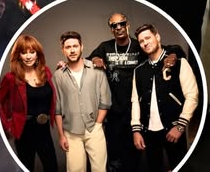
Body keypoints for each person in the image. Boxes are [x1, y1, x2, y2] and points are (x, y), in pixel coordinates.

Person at [88, 12, 181, 172]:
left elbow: (171, 49)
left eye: (122, 23)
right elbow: (85, 61)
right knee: (114, 155)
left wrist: (173, 54)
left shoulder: (140, 45)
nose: (119, 27)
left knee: (134, 155)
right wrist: (94, 58)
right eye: (114, 25)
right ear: (111, 29)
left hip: (137, 112)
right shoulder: (105, 47)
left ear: (127, 25)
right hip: (114, 112)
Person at [131, 24, 198, 172]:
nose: (145, 43)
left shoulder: (179, 63)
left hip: (173, 129)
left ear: (157, 37)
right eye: (141, 41)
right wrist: (136, 130)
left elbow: (192, 96)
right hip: (148, 133)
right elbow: (135, 101)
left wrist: (180, 126)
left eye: (148, 38)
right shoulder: (139, 71)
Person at [0, 34, 58, 172]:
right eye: (24, 52)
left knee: (52, 167)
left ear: (37, 54)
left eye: (32, 52)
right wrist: (7, 126)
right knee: (26, 167)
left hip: (44, 130)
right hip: (24, 131)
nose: (28, 56)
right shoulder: (10, 78)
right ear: (18, 55)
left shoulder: (46, 72)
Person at [53, 31, 111, 172]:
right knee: (75, 170)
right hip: (71, 131)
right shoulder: (58, 75)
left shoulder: (96, 69)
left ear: (81, 47)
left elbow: (105, 101)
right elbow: (57, 108)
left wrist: (98, 124)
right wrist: (61, 135)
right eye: (68, 47)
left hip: (94, 128)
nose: (72, 50)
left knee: (100, 169)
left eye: (75, 46)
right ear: (63, 50)